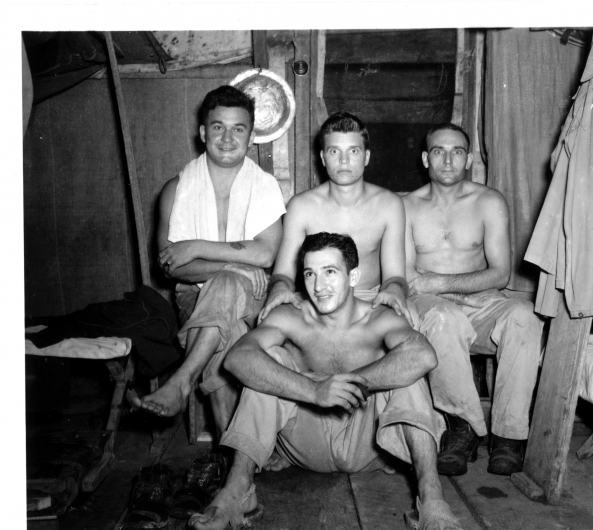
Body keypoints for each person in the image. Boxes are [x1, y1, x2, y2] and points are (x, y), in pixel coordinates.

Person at [189, 232, 462, 530]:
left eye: (330, 272)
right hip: (305, 442)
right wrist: (314, 389)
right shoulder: (291, 316)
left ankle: (432, 500)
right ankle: (237, 492)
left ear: (353, 276)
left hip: (366, 444)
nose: (319, 286)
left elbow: (423, 355)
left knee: (406, 368)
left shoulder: (378, 318)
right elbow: (237, 358)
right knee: (269, 361)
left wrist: (352, 383)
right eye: (310, 274)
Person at [127, 86, 286, 438]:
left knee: (228, 291)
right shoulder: (176, 189)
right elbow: (171, 267)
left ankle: (181, 381)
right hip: (194, 297)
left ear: (251, 136)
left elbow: (263, 255)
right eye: (218, 127)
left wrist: (196, 246)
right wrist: (231, 265)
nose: (227, 138)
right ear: (203, 133)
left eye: (238, 128)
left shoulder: (265, 186)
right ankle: (238, 458)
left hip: (254, 296)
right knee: (228, 333)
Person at [402, 123, 544, 476]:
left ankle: (508, 437)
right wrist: (433, 288)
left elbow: (500, 274)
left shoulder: (488, 201)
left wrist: (438, 280)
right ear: (425, 158)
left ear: (467, 159)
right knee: (443, 318)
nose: (448, 160)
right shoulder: (405, 206)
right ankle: (462, 429)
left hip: (482, 301)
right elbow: (406, 278)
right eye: (438, 151)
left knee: (524, 315)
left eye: (457, 152)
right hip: (431, 308)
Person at [259, 111, 410, 323]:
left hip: (370, 300)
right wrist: (280, 288)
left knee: (406, 328)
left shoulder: (389, 205)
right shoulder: (301, 206)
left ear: (366, 157)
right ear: (323, 158)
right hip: (317, 299)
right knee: (272, 326)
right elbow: (283, 273)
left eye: (354, 151)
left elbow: (395, 276)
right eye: (334, 151)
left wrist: (394, 291)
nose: (344, 160)